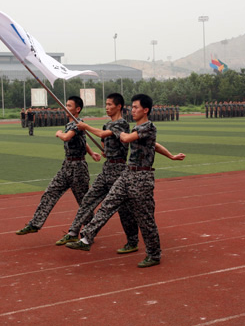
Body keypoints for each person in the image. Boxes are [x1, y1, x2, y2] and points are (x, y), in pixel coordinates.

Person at [66, 94, 185, 268]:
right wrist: (171, 156)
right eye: (132, 107)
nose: (133, 110)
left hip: (142, 178)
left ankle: (154, 254)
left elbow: (127, 139)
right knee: (108, 204)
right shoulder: (136, 129)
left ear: (146, 110)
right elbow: (154, 145)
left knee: (145, 219)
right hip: (128, 174)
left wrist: (114, 131)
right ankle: (86, 239)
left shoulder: (148, 126)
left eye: (136, 107)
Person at [55, 93, 137, 250]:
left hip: (119, 170)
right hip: (107, 168)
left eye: (110, 104)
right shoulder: (107, 124)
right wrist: (104, 151)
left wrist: (86, 127)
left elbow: (102, 134)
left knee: (124, 210)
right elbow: (105, 143)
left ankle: (132, 241)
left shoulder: (122, 124)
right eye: (106, 104)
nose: (107, 107)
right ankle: (74, 232)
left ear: (119, 106)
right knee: (88, 200)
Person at [16, 96, 101, 236]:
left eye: (69, 106)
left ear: (78, 109)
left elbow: (67, 137)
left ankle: (90, 229)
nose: (65, 108)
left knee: (84, 201)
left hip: (78, 167)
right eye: (65, 105)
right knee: (51, 192)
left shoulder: (78, 123)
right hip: (67, 165)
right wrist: (91, 153)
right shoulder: (70, 124)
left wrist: (59, 133)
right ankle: (35, 223)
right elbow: (82, 141)